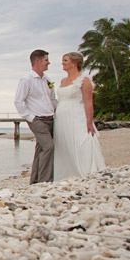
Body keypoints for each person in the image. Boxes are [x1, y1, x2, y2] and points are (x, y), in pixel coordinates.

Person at [53, 52, 106, 180]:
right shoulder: (63, 81)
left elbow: (89, 103)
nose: (63, 63)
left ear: (74, 63)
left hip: (77, 115)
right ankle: (65, 174)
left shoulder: (84, 80)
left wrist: (89, 121)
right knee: (63, 145)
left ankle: (86, 171)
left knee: (81, 142)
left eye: (65, 60)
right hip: (61, 118)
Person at [14, 49, 58, 183]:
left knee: (41, 149)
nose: (48, 63)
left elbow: (52, 99)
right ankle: (45, 181)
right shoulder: (26, 80)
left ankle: (35, 181)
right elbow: (18, 101)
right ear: (38, 61)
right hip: (37, 119)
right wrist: (30, 117)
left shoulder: (47, 80)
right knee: (49, 146)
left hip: (50, 118)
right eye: (46, 60)